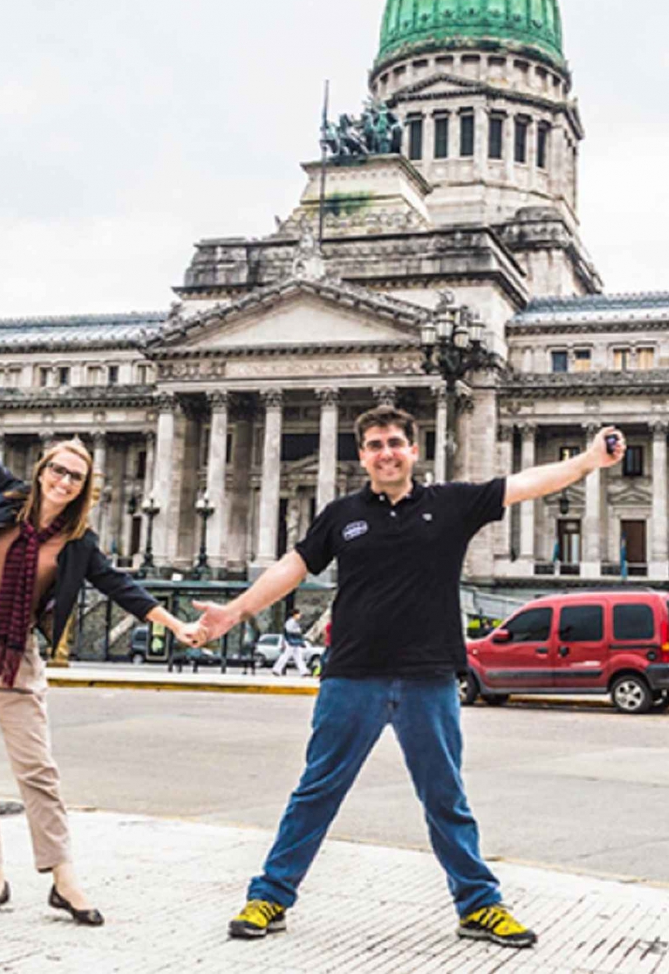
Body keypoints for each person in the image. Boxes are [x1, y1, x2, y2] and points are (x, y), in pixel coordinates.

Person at [193, 405, 624, 949]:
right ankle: (270, 896)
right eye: (374, 445)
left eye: (395, 442)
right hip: (353, 674)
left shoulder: (449, 504)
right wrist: (234, 612)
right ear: (364, 455)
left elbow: (526, 483)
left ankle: (479, 906)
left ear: (413, 450)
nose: (386, 452)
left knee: (445, 796)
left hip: (429, 676)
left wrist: (586, 460)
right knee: (317, 792)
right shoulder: (342, 514)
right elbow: (293, 567)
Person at [0, 352, 199, 924]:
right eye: (58, 469)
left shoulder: (77, 544)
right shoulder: (7, 498)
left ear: (84, 486)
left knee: (38, 770)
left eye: (75, 475)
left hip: (15, 655)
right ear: (42, 469)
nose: (63, 480)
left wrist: (177, 625)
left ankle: (64, 878)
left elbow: (124, 589)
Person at [272, 608, 309, 676]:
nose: (300, 615)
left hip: (294, 642)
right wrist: (299, 633)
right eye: (298, 614)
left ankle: (303, 671)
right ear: (295, 615)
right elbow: (290, 631)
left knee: (298, 657)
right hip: (291, 642)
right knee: (287, 656)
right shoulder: (290, 622)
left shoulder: (294, 622)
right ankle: (276, 669)